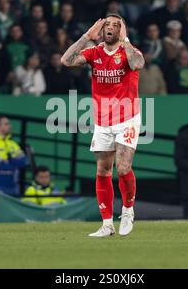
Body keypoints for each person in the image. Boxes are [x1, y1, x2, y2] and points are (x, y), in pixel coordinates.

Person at [61, 14, 145, 237]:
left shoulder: (131, 52)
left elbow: (137, 65)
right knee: (103, 170)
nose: (110, 28)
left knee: (123, 167)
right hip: (102, 120)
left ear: (122, 31)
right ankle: (107, 224)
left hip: (127, 117)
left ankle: (127, 211)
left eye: (116, 25)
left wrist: (126, 42)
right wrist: (86, 37)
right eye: (107, 25)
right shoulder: (95, 52)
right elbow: (66, 61)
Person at [0, 115, 27, 195]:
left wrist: (9, 160)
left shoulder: (14, 144)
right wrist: (13, 161)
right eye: (6, 124)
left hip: (14, 188)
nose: (10, 126)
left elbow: (23, 162)